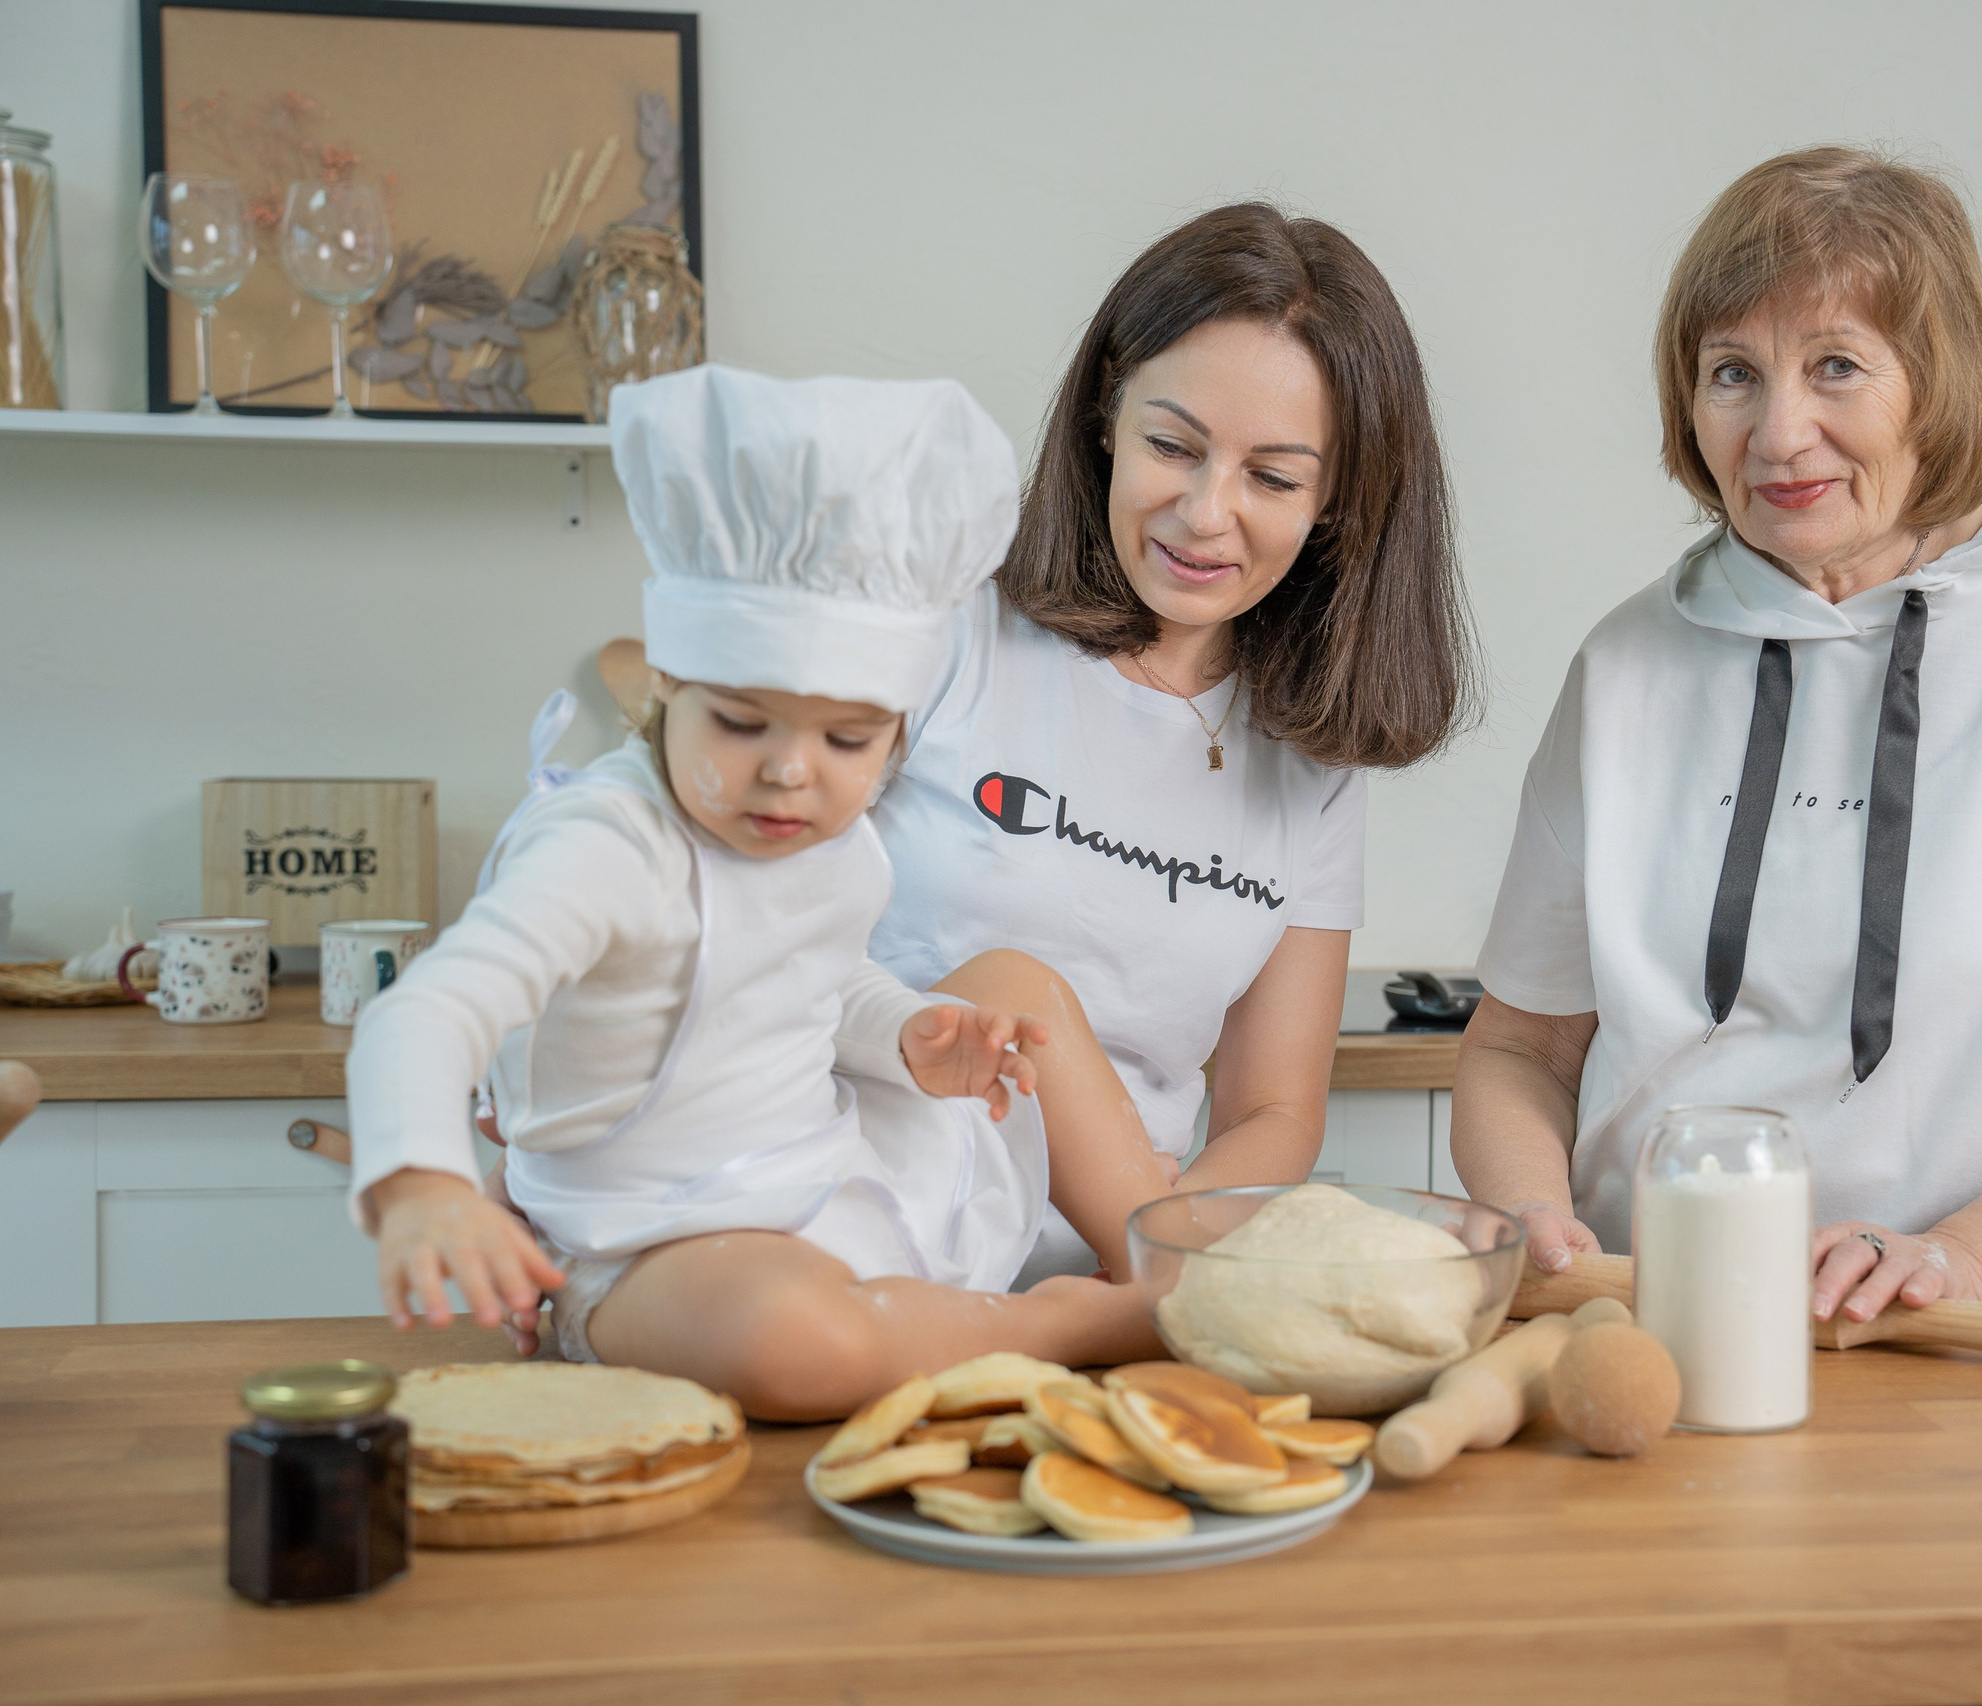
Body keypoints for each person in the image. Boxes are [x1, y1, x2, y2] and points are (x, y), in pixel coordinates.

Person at [1451, 147, 1982, 1326]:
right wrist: (1534, 1222)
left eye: (1835, 367)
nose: (1777, 431)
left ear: (1939, 381)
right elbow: (1522, 1051)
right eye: (1731, 373)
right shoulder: (1627, 663)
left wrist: (1961, 1256)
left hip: (1967, 1339)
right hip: (1644, 1329)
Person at [347, 368, 1168, 1420]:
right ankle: (1076, 1322)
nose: (790, 772)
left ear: (893, 737)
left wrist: (909, 1034)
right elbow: (428, 1009)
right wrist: (423, 1183)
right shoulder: (605, 844)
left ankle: (1168, 1254)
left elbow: (820, 983)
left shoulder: (829, 831)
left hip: (820, 1167)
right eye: (741, 723)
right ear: (665, 690)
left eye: (846, 740)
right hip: (651, 1242)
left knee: (1018, 983)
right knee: (798, 1340)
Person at [866, 202, 1476, 1282]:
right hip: (870, 1221)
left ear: (1336, 501)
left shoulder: (1312, 768)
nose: (1205, 513)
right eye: (1172, 446)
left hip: (1108, 1282)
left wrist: (1144, 1242)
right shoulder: (944, 625)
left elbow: (1273, 1111)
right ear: (1107, 411)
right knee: (1011, 990)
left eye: (1273, 477)